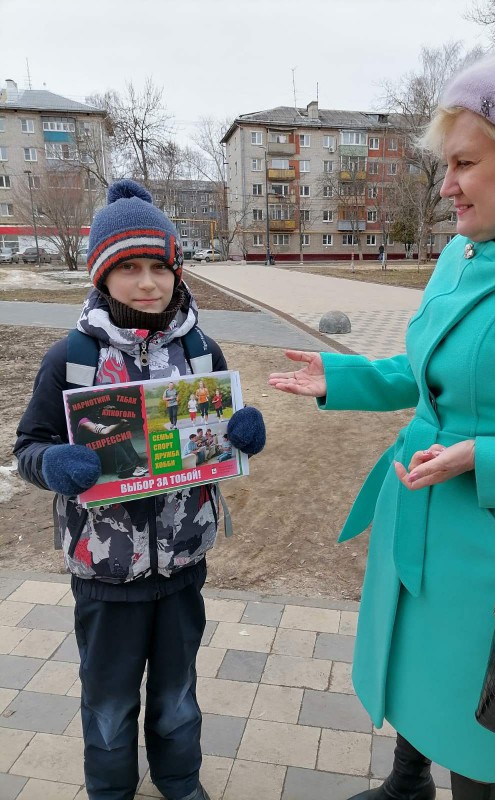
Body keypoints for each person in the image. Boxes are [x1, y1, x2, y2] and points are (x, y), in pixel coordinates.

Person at [269, 50, 495, 800]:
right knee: (411, 669)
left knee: (479, 715)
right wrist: (341, 377)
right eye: (443, 164)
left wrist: (488, 455)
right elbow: (429, 371)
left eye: (464, 163)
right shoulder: (458, 251)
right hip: (414, 514)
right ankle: (407, 785)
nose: (444, 185)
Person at [14, 179, 266, 800]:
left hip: (183, 565)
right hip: (104, 573)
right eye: (129, 267)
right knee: (107, 701)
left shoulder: (202, 353)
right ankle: (110, 791)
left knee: (178, 693)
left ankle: (181, 783)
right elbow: (27, 447)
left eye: (159, 266)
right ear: (102, 275)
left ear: (177, 271)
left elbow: (219, 437)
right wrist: (53, 465)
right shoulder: (70, 359)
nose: (148, 282)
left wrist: (242, 434)